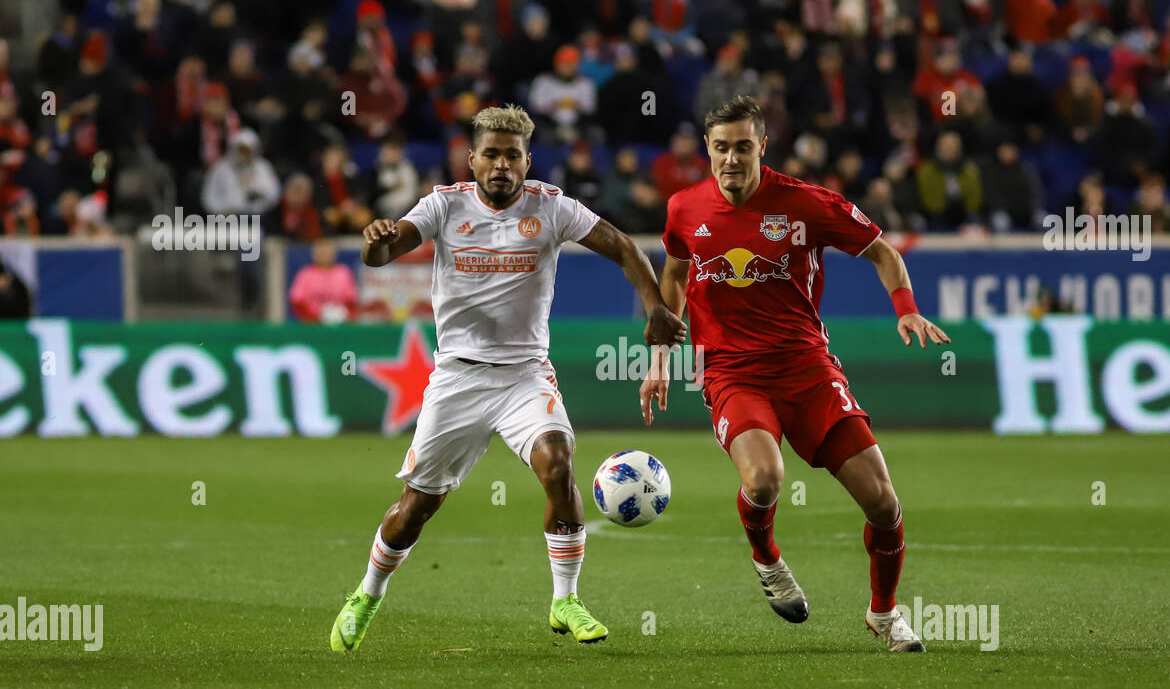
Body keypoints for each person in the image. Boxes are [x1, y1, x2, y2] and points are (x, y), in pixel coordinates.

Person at [330, 104, 686, 652]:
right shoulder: (444, 206)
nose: (501, 165)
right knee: (417, 506)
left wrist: (654, 307)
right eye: (491, 154)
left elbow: (621, 246)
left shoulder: (551, 208)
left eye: (512, 155)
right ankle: (367, 594)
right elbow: (383, 253)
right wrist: (376, 239)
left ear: (527, 160)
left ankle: (565, 600)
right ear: (472, 159)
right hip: (458, 378)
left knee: (557, 461)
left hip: (525, 375)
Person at [640, 95, 949, 652]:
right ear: (706, 150)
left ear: (762, 146)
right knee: (763, 479)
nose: (730, 159)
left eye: (741, 147)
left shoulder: (806, 204)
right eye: (720, 148)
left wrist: (906, 308)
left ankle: (884, 613)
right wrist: (660, 357)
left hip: (807, 368)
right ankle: (768, 559)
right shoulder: (685, 208)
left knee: (882, 500)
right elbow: (675, 278)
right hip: (732, 371)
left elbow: (883, 252)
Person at [289, 238, 358, 323]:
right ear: (314, 253)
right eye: (321, 251)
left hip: (339, 323)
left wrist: (344, 315)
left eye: (327, 250)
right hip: (312, 324)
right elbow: (297, 302)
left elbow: (351, 301)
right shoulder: (305, 273)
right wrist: (313, 318)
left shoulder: (343, 272)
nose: (324, 254)